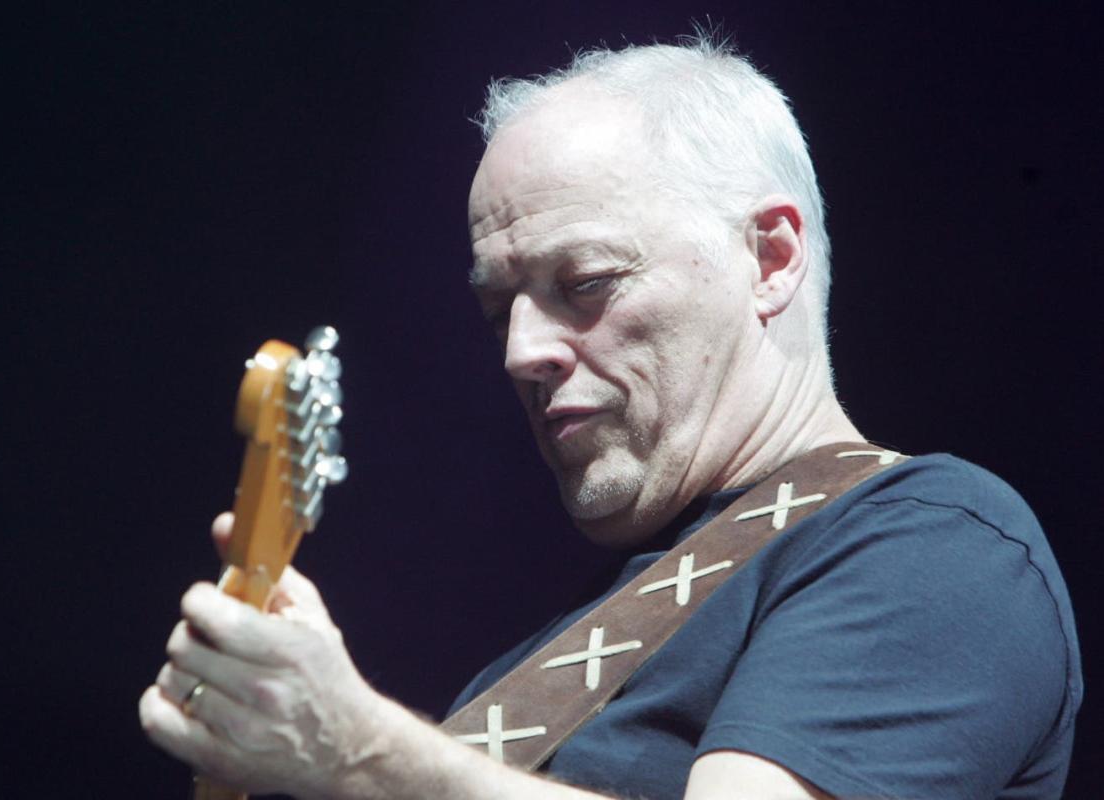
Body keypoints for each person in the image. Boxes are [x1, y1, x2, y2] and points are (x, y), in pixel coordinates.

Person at [139, 35, 1081, 799]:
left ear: (769, 258)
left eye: (583, 281)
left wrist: (357, 751)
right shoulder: (543, 660)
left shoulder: (938, 546)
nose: (520, 351)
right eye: (498, 308)